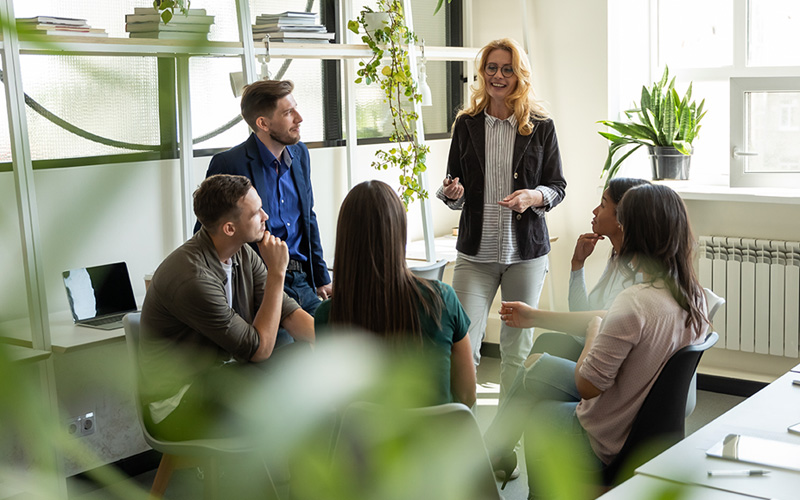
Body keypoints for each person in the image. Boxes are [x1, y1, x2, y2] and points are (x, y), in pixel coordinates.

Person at [484, 183, 708, 497]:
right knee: (539, 367)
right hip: (641, 421)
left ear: (634, 232)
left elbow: (589, 386)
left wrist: (593, 332)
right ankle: (491, 454)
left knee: (538, 413)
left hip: (608, 437)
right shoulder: (694, 296)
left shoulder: (636, 301)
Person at [437, 38, 566, 401]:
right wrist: (450, 194)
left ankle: (503, 441)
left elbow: (558, 185)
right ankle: (463, 429)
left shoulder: (540, 125)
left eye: (507, 69)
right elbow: (452, 185)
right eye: (491, 68)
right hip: (475, 256)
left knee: (516, 351)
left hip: (525, 254)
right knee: (463, 345)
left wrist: (534, 196)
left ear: (519, 75)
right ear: (482, 74)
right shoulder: (466, 124)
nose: (498, 75)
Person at [140, 174, 315, 441]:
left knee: (308, 360)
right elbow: (259, 349)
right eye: (256, 213)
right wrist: (277, 273)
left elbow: (289, 313)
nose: (266, 217)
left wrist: (334, 346)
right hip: (180, 403)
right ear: (230, 229)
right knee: (290, 383)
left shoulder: (241, 253)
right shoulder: (193, 278)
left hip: (221, 377)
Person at [315, 180, 476, 407]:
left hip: (364, 443)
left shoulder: (327, 316)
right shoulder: (442, 299)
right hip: (438, 440)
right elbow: (468, 396)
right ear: (399, 232)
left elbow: (332, 406)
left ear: (345, 239)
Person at [198, 79, 331, 334]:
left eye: (296, 108)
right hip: (260, 285)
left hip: (302, 280)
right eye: (288, 112)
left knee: (338, 342)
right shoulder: (229, 163)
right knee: (288, 354)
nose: (299, 118)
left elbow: (308, 218)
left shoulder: (300, 154)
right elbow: (207, 234)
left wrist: (322, 277)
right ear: (263, 123)